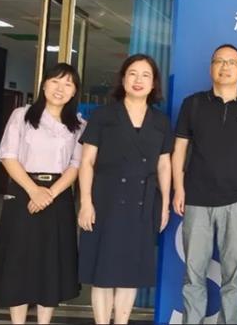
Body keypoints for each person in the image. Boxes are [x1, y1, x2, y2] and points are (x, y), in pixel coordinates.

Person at [172, 43, 237, 324]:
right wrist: (179, 188)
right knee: (193, 276)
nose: (225, 67)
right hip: (196, 201)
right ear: (211, 67)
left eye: (232, 62)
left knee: (233, 278)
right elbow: (179, 150)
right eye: (219, 61)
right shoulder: (193, 104)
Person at [77, 54, 173, 325]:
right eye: (132, 73)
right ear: (123, 79)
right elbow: (87, 162)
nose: (138, 80)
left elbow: (164, 165)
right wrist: (86, 202)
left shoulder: (160, 121)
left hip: (143, 202)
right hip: (105, 200)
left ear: (154, 84)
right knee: (103, 272)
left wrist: (165, 205)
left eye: (145, 75)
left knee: (130, 273)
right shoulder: (103, 115)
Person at [0, 63, 84, 324]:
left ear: (74, 91)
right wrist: (33, 191)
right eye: (55, 81)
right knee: (18, 260)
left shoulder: (78, 125)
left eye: (68, 84)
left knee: (50, 262)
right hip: (23, 192)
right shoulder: (22, 115)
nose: (60, 88)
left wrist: (48, 194)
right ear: (43, 84)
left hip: (58, 196)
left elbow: (76, 165)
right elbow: (7, 155)